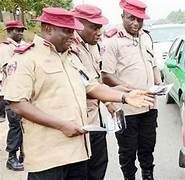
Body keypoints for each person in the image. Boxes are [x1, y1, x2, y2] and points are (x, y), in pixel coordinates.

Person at [3, 7, 154, 180]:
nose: (72, 36)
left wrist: (124, 97)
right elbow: (17, 104)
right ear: (48, 29)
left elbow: (92, 87)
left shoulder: (71, 57)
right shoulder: (26, 59)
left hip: (77, 152)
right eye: (67, 31)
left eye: (73, 31)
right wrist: (61, 125)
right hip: (48, 157)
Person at [101, 0, 162, 179]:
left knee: (147, 147)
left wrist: (158, 82)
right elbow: (106, 75)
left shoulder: (146, 37)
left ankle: (148, 175)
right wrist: (131, 91)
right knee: (127, 151)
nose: (136, 23)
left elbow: (153, 65)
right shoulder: (113, 40)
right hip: (126, 109)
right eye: (131, 18)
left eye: (140, 19)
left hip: (149, 106)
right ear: (122, 17)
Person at [72, 4, 116, 180]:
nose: (99, 32)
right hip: (79, 123)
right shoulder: (69, 47)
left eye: (100, 27)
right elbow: (83, 86)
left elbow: (96, 80)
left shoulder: (93, 46)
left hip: (96, 119)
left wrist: (109, 103)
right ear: (79, 23)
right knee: (81, 171)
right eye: (94, 27)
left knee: (99, 166)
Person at [0, 20, 27, 171]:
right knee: (15, 126)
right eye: (17, 30)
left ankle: (24, 154)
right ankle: (11, 158)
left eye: (22, 30)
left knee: (24, 126)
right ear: (9, 31)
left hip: (24, 92)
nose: (21, 33)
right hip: (11, 93)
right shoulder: (5, 48)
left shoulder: (22, 45)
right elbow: (8, 69)